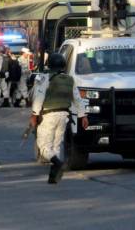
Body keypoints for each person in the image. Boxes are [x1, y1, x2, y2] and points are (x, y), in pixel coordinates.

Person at [29, 53, 88, 184]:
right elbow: (78, 99)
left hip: (48, 115)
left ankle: (57, 163)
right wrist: (83, 116)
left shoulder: (44, 78)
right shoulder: (70, 79)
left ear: (49, 65)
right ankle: (53, 176)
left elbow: (38, 97)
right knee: (56, 146)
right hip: (64, 116)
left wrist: (34, 115)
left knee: (43, 147)